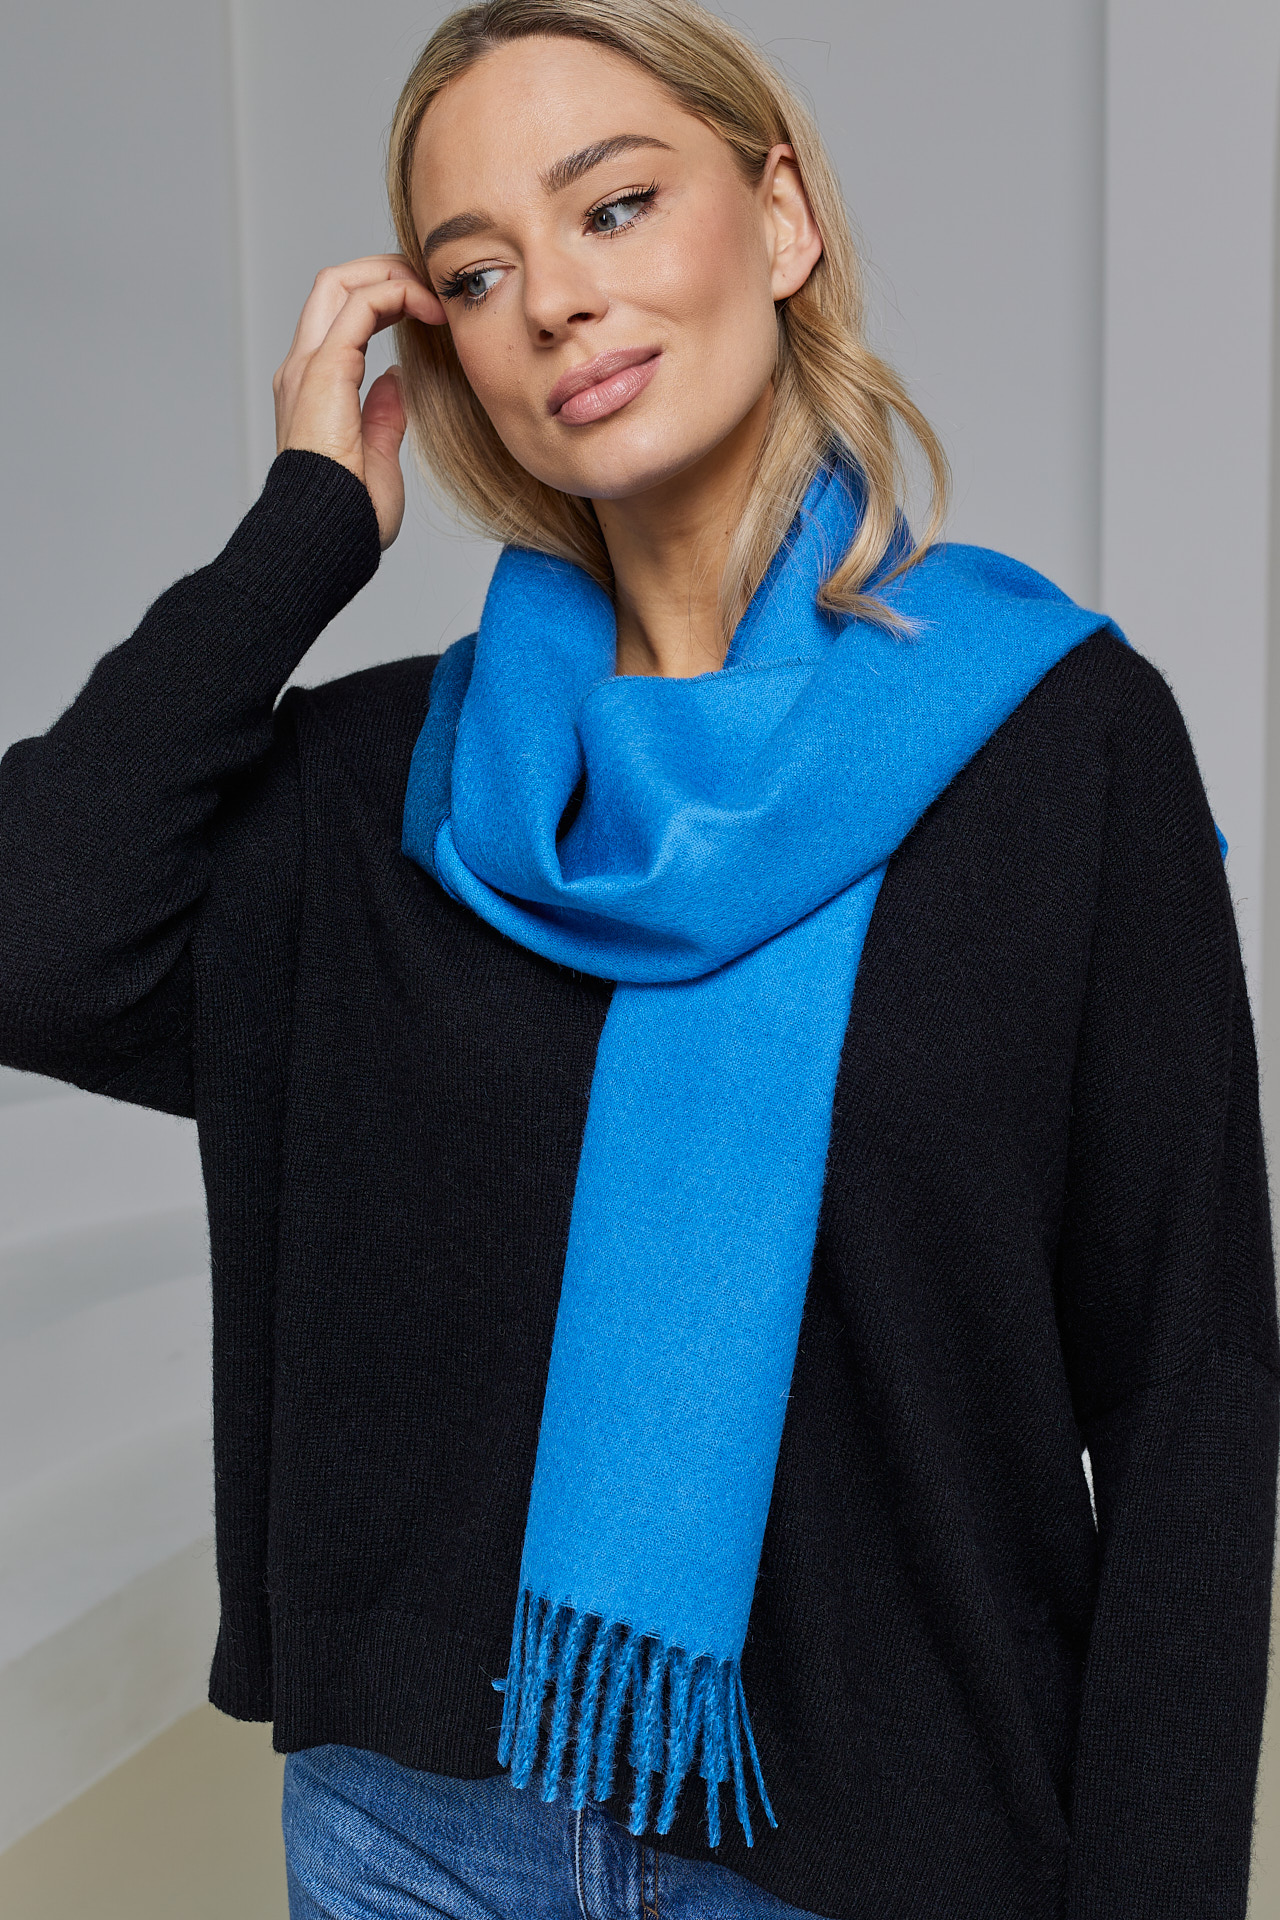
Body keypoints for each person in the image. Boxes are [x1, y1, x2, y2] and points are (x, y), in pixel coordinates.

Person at [1, 0, 1276, 1915]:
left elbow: (1190, 1390)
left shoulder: (1055, 748)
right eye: (475, 272)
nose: (557, 301)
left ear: (782, 218)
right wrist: (303, 529)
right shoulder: (388, 794)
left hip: (884, 1854)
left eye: (612, 206)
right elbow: (36, 937)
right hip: (417, 1836)